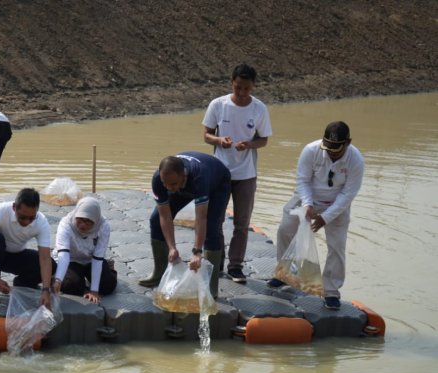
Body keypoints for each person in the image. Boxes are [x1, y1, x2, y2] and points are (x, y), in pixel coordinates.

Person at [267, 121, 364, 310]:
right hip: (308, 198)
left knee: (337, 247)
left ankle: (331, 291)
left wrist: (325, 218)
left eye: (337, 149)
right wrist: (307, 204)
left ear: (348, 142)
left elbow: (348, 194)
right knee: (285, 229)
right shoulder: (311, 150)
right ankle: (284, 274)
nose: (332, 152)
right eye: (328, 148)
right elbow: (302, 181)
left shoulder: (356, 160)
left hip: (337, 205)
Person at [202, 64, 272, 284]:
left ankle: (235, 265)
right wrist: (219, 140)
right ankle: (217, 260)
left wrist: (249, 145)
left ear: (253, 87)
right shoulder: (218, 105)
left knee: (242, 223)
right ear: (231, 82)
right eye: (238, 87)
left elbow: (264, 140)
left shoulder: (259, 108)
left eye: (246, 89)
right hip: (220, 172)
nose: (242, 93)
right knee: (216, 219)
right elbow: (206, 135)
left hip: (246, 174)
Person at [138, 152, 232, 298]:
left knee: (212, 228)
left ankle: (211, 286)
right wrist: (172, 248)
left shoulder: (199, 177)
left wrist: (197, 252)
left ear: (183, 175)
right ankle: (159, 272)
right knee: (155, 219)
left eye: (172, 184)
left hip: (218, 182)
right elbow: (165, 215)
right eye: (165, 184)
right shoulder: (159, 179)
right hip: (186, 185)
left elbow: (201, 218)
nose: (168, 188)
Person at [0, 188, 55, 308]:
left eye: (31, 218)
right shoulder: (0, 211)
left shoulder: (41, 222)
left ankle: (22, 283)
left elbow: (44, 258)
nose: (27, 222)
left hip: (17, 255)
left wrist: (46, 290)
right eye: (22, 217)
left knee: (53, 265)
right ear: (14, 207)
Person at [52, 196, 117, 303]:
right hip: (71, 259)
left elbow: (98, 256)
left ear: (95, 221)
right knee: (73, 286)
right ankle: (66, 277)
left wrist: (94, 290)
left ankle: (109, 268)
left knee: (108, 286)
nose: (83, 225)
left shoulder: (103, 226)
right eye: (80, 220)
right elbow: (63, 255)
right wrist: (58, 280)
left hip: (91, 259)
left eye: (88, 222)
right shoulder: (65, 224)